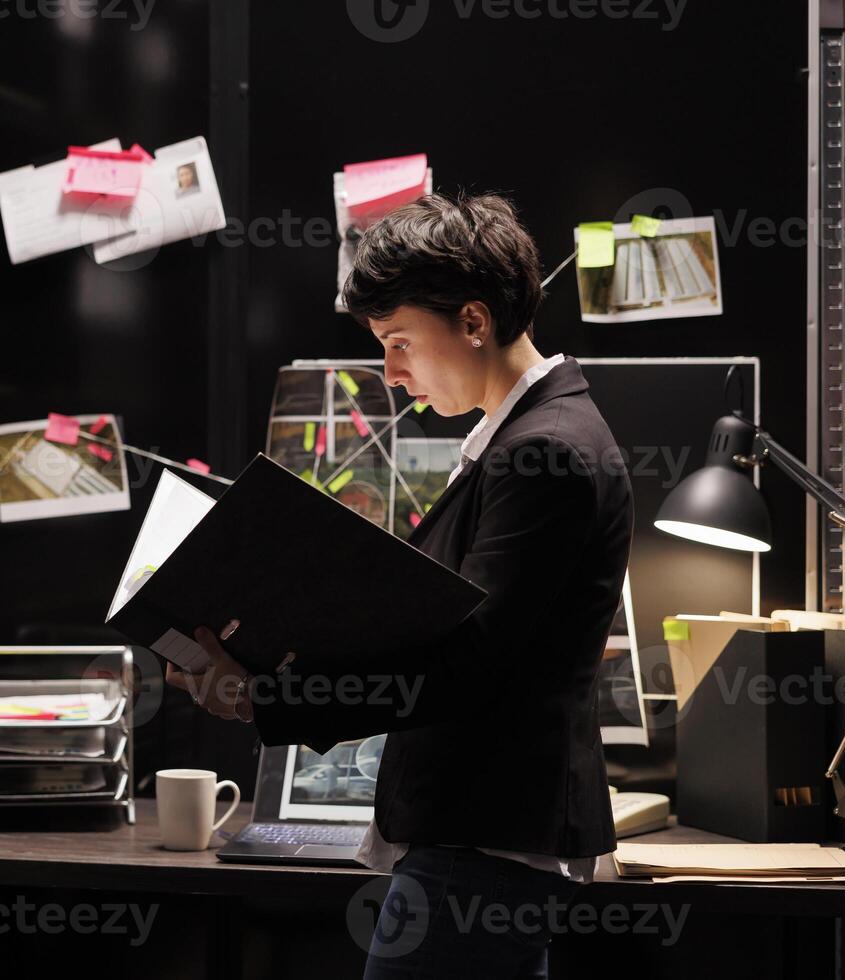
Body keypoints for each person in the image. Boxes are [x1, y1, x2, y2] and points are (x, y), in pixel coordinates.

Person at [166, 192, 634, 979]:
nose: (390, 372)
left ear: (474, 322)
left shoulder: (545, 452)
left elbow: (461, 665)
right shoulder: (522, 439)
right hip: (475, 846)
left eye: (398, 341)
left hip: (479, 848)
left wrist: (261, 698)